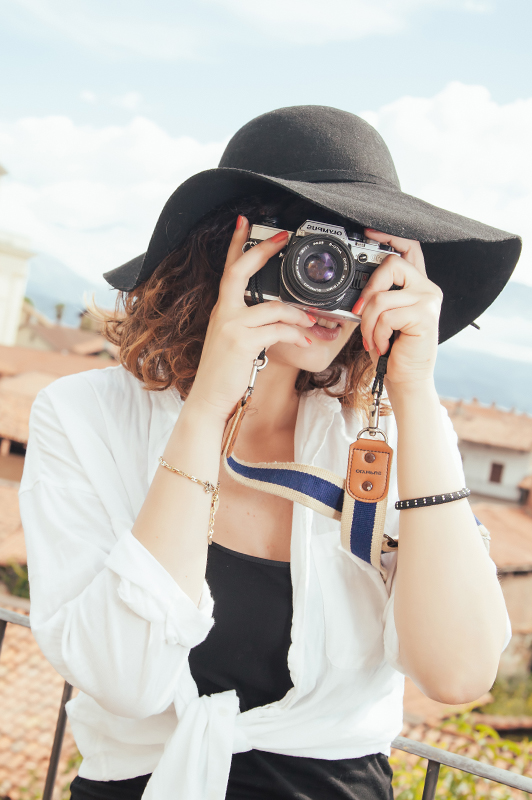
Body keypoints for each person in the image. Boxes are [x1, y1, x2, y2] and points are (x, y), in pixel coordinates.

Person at [21, 106, 520, 800]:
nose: (330, 285)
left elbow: (459, 675)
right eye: (310, 253)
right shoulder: (84, 419)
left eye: (360, 260)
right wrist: (206, 409)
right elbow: (125, 681)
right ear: (229, 249)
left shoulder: (389, 433)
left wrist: (412, 388)